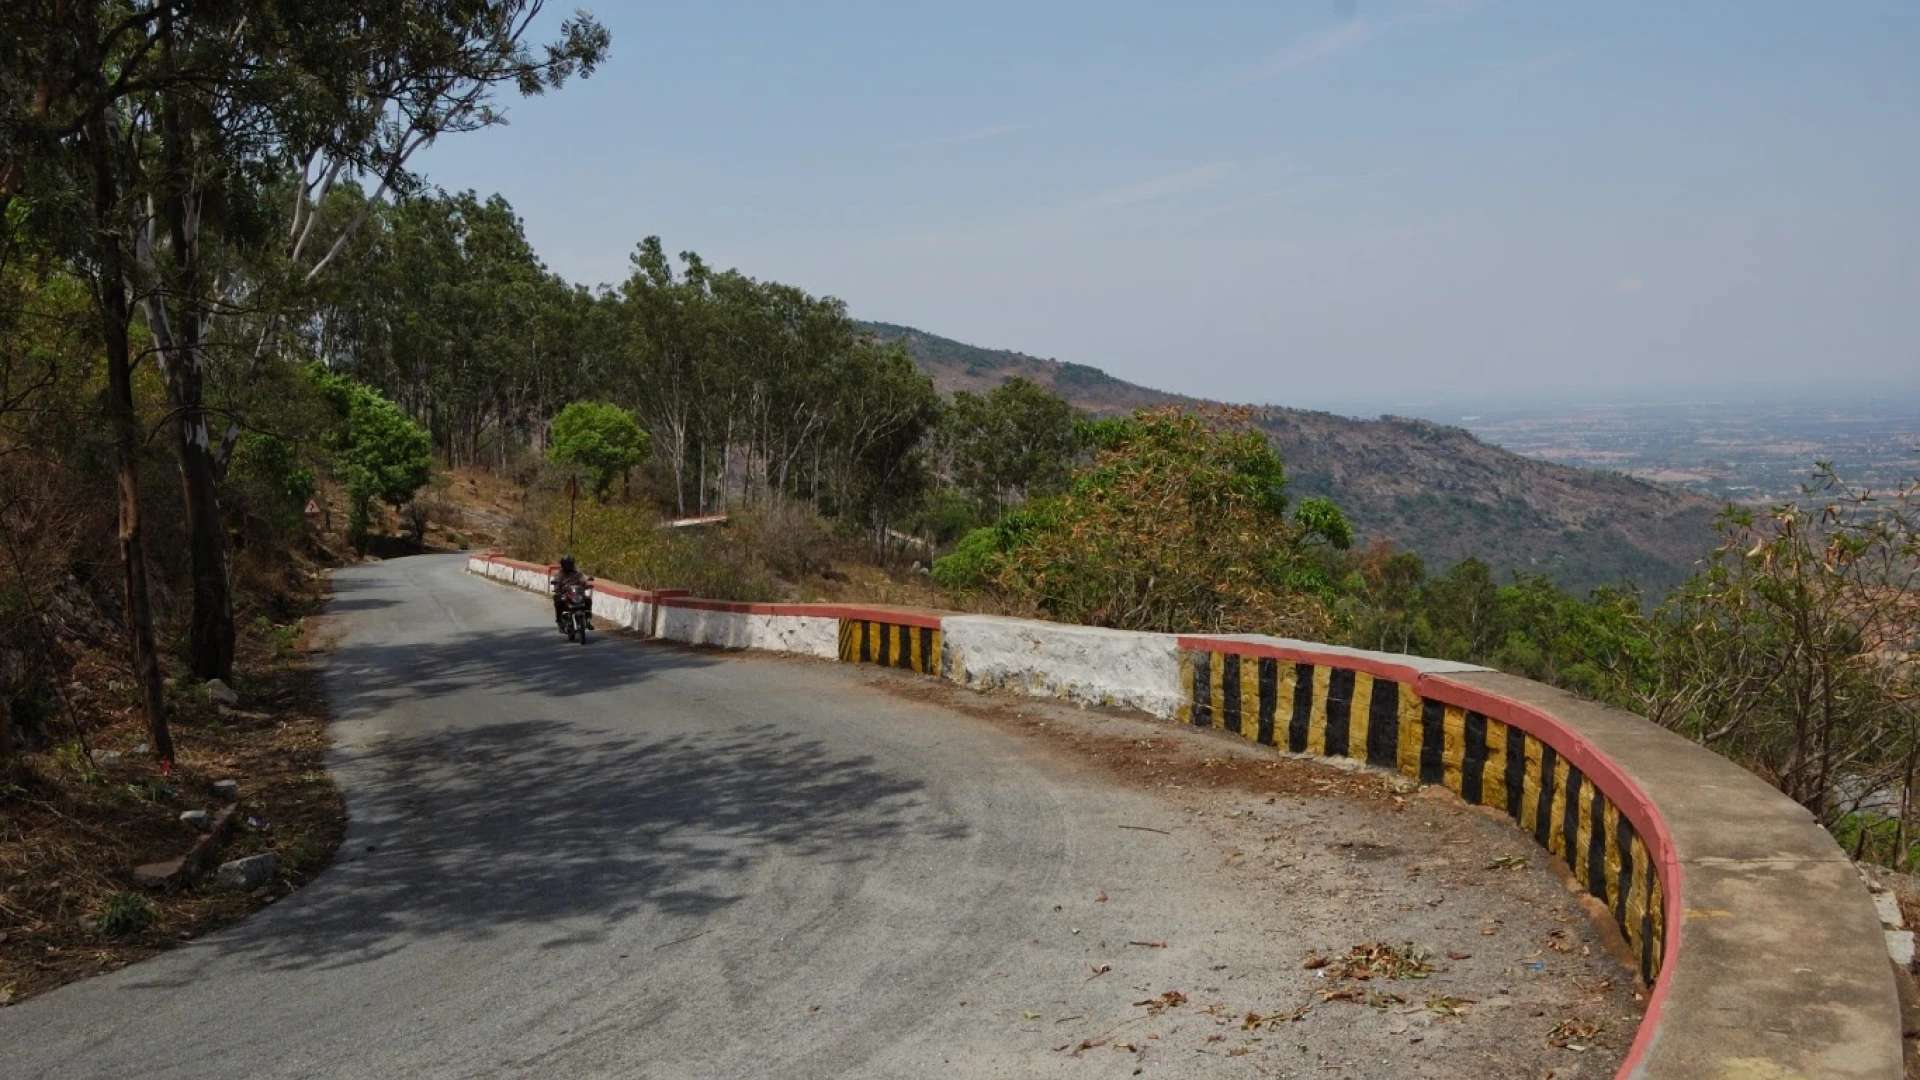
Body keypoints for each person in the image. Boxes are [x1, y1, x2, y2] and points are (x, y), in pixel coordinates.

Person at [550, 555, 590, 628]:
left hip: (576, 594)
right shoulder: (560, 573)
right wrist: (557, 588)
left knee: (587, 599)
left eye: (569, 563)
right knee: (557, 600)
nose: (568, 565)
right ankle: (559, 619)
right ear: (563, 564)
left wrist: (586, 584)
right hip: (565, 594)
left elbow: (583, 579)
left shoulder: (577, 573)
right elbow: (556, 582)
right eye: (566, 563)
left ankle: (588, 618)